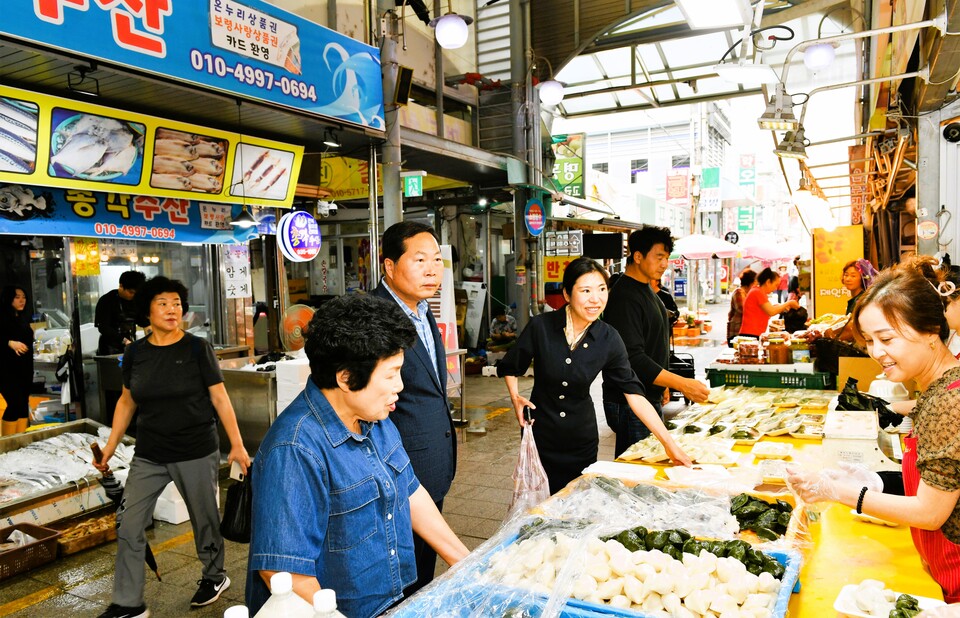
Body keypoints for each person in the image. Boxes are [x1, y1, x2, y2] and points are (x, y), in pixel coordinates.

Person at [245, 294, 469, 618]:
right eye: (391, 374)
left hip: (390, 601)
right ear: (346, 378)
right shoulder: (295, 451)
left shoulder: (375, 417)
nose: (401, 386)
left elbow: (411, 492)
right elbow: (285, 575)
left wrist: (468, 564)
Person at [787, 257, 960, 603]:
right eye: (868, 340)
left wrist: (842, 492)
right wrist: (876, 480)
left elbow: (930, 512)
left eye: (887, 338)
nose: (876, 352)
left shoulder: (948, 402)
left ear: (930, 331)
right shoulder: (938, 388)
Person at [94, 276, 250, 618]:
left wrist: (237, 446)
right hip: (149, 454)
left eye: (177, 303)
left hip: (195, 449)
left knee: (204, 519)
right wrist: (110, 446)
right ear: (147, 311)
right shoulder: (135, 352)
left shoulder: (196, 349)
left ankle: (215, 575)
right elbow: (126, 401)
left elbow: (219, 398)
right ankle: (129, 602)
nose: (172, 309)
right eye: (163, 303)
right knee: (129, 523)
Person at [498, 257, 692, 494]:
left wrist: (669, 445)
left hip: (581, 439)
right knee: (539, 507)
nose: (595, 299)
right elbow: (511, 365)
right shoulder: (541, 327)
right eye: (585, 290)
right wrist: (515, 396)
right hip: (541, 436)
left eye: (601, 290)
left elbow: (634, 394)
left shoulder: (609, 338)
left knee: (576, 505)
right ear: (567, 294)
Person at [370, 221, 457, 595]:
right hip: (396, 468)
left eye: (437, 260)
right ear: (389, 266)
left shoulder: (422, 310)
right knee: (396, 572)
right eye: (419, 259)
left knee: (422, 568)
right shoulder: (373, 317)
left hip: (431, 461)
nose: (431, 269)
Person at [602, 226, 709, 458]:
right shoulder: (624, 297)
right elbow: (634, 358)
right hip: (630, 400)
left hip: (648, 395)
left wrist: (665, 384)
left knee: (645, 461)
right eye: (659, 257)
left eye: (667, 258)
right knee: (638, 466)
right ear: (638, 256)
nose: (664, 264)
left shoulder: (647, 289)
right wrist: (682, 383)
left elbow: (654, 346)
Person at [0, 286, 33, 436]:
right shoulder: (2, 317)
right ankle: (8, 444)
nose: (22, 300)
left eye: (24, 297)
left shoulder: (23, 318)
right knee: (13, 403)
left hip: (24, 369)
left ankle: (21, 444)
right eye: (17, 297)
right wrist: (9, 342)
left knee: (23, 405)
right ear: (9, 299)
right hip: (6, 369)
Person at [95, 271, 147, 356]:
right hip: (110, 348)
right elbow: (104, 328)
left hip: (130, 343)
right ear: (121, 286)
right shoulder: (106, 300)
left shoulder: (136, 301)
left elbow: (143, 322)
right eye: (130, 292)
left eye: (136, 293)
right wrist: (124, 340)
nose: (133, 295)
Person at [738, 267, 799, 338]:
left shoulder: (759, 291)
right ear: (768, 282)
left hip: (754, 334)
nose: (776, 288)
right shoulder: (757, 292)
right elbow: (771, 311)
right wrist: (788, 303)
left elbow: (767, 309)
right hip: (750, 334)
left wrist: (781, 306)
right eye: (776, 285)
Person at [727, 269, 757, 345]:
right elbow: (744, 309)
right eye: (755, 282)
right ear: (750, 282)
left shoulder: (747, 293)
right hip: (736, 332)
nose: (756, 285)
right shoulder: (739, 292)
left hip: (743, 332)